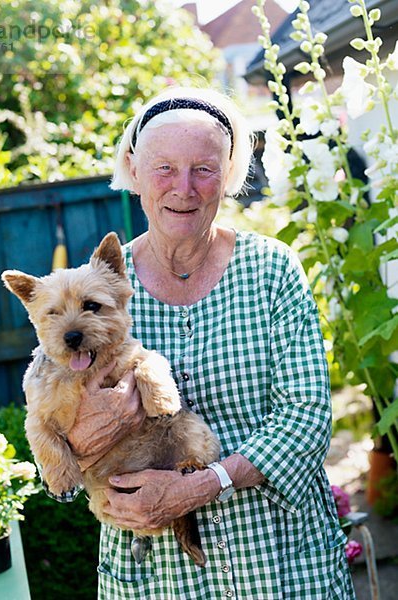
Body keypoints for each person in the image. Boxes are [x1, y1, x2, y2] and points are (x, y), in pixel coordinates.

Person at [48, 87, 356, 598]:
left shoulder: (272, 269)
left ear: (231, 173)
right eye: (164, 168)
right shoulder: (93, 294)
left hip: (280, 565)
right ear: (134, 169)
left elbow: (307, 419)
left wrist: (200, 485)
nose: (184, 189)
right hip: (154, 575)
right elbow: (57, 467)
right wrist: (82, 441)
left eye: (204, 169)